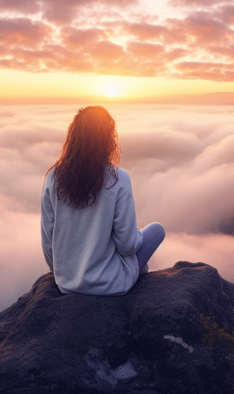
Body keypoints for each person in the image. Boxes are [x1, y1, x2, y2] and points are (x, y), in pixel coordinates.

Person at [40, 106, 165, 296]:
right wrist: (136, 234)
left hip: (66, 284)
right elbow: (127, 246)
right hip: (112, 284)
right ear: (108, 139)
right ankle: (138, 272)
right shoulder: (118, 179)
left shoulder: (53, 177)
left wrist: (62, 274)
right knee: (156, 230)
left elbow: (48, 240)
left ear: (73, 138)